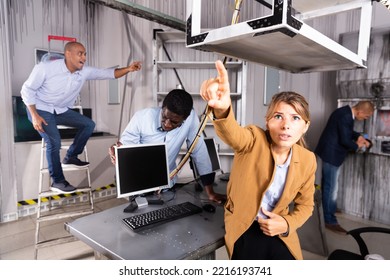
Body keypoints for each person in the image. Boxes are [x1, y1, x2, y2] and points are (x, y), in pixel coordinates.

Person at [199, 60, 316, 260]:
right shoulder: (254, 139)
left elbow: (306, 206)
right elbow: (233, 134)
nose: (286, 125)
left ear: (305, 126)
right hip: (245, 227)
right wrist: (222, 110)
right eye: (278, 116)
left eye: (295, 118)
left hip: (278, 228)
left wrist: (287, 224)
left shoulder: (307, 159)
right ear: (267, 121)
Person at [21, 41, 142, 194]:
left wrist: (129, 69)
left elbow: (108, 73)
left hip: (60, 110)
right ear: (68, 54)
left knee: (88, 124)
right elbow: (26, 90)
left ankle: (71, 156)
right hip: (40, 109)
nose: (84, 57)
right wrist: (34, 115)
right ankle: (57, 181)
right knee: (54, 141)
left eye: (85, 54)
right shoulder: (45, 68)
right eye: (80, 53)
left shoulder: (84, 71)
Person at [108, 89, 226, 203]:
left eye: (174, 122)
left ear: (185, 119)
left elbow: (199, 150)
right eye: (164, 117)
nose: (167, 124)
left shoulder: (191, 118)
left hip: (168, 185)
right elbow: (125, 147)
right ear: (163, 107)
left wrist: (210, 192)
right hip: (141, 188)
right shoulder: (141, 118)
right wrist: (118, 149)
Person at [315, 100, 374, 234]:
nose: (365, 119)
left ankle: (329, 207)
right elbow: (344, 140)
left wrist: (358, 136)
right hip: (331, 154)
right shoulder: (345, 116)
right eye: (366, 116)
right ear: (360, 112)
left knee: (330, 186)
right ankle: (330, 220)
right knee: (331, 188)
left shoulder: (346, 113)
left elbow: (347, 131)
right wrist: (359, 145)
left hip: (331, 153)